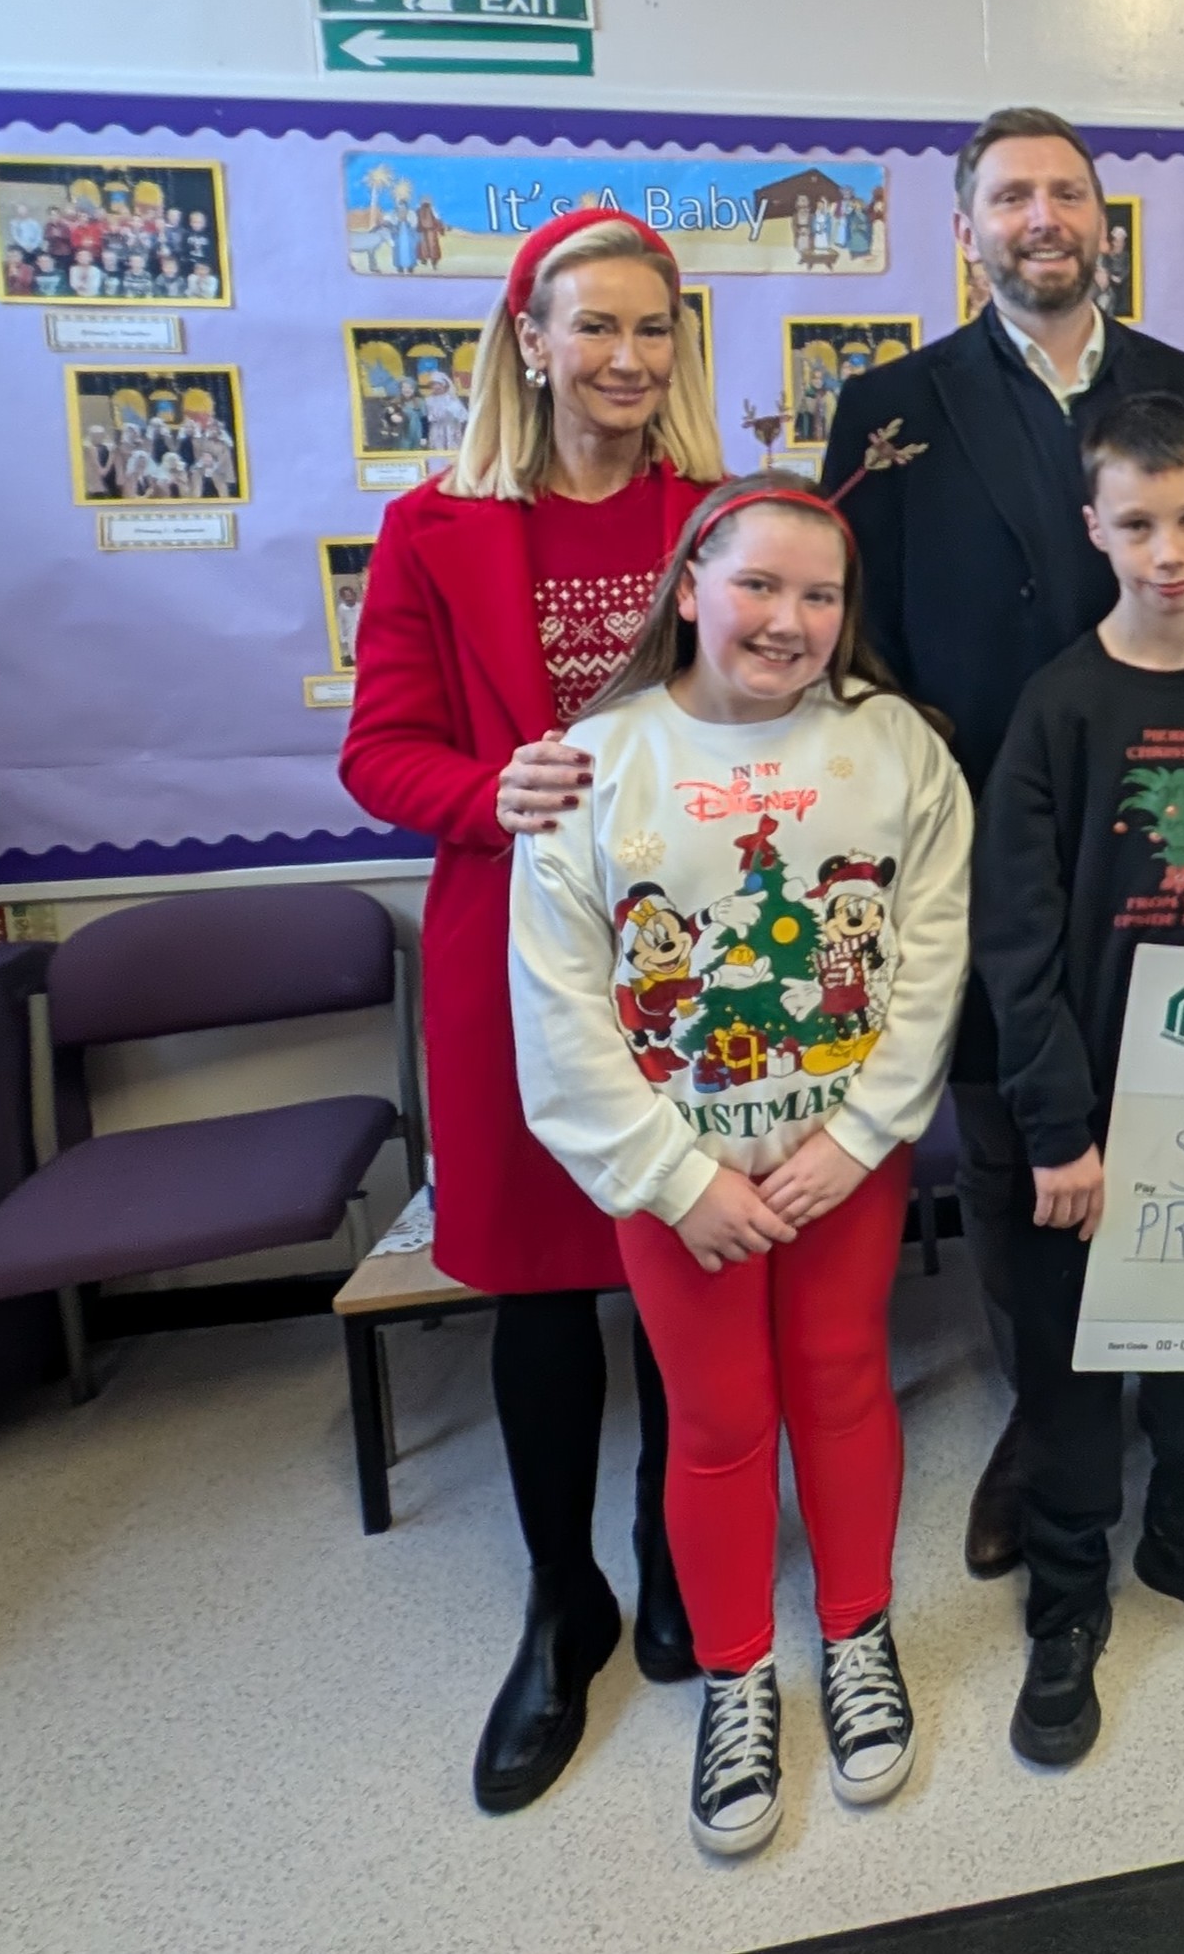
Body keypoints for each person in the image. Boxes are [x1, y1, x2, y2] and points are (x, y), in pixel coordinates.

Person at [822, 107, 1184, 1586]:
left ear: (1106, 221)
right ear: (966, 228)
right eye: (1011, 195)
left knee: (1179, 1116)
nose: (1043, 216)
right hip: (985, 839)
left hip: (1175, 832)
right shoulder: (893, 402)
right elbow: (864, 637)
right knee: (1027, 1141)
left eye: (1067, 194)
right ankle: (1048, 1420)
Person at [511, 479, 971, 1855]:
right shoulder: (596, 760)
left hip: (843, 1157)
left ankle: (857, 1631)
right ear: (692, 580)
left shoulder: (894, 747)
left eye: (820, 595)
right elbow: (563, 1004)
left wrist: (860, 1130)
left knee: (839, 1385)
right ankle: (734, 1673)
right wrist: (674, 1175)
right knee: (715, 1419)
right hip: (682, 1178)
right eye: (760, 585)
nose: (789, 618)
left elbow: (932, 949)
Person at [339, 207, 724, 1815]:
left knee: (682, 1255)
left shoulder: (720, 513)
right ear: (530, 339)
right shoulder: (433, 526)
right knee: (544, 1288)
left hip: (705, 951)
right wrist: (490, 787)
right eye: (596, 330)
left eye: (653, 332)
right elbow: (378, 754)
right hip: (509, 949)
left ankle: (667, 1544)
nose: (626, 361)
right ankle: (562, 1601)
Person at [971, 392, 1184, 1764]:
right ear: (1094, 527)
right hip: (1086, 1121)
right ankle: (1067, 1599)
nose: (1166, 549)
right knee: (1070, 1379)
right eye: (1136, 523)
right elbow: (1014, 936)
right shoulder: (1056, 705)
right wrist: (1059, 1127)